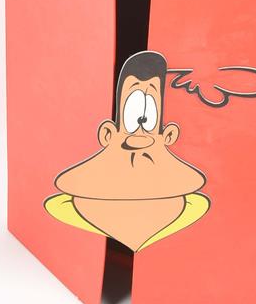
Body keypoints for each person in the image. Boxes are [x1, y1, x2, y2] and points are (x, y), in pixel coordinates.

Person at [45, 51, 210, 252]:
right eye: (133, 116)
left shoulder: (188, 206)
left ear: (169, 135)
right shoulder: (72, 205)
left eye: (148, 119)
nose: (140, 128)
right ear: (107, 133)